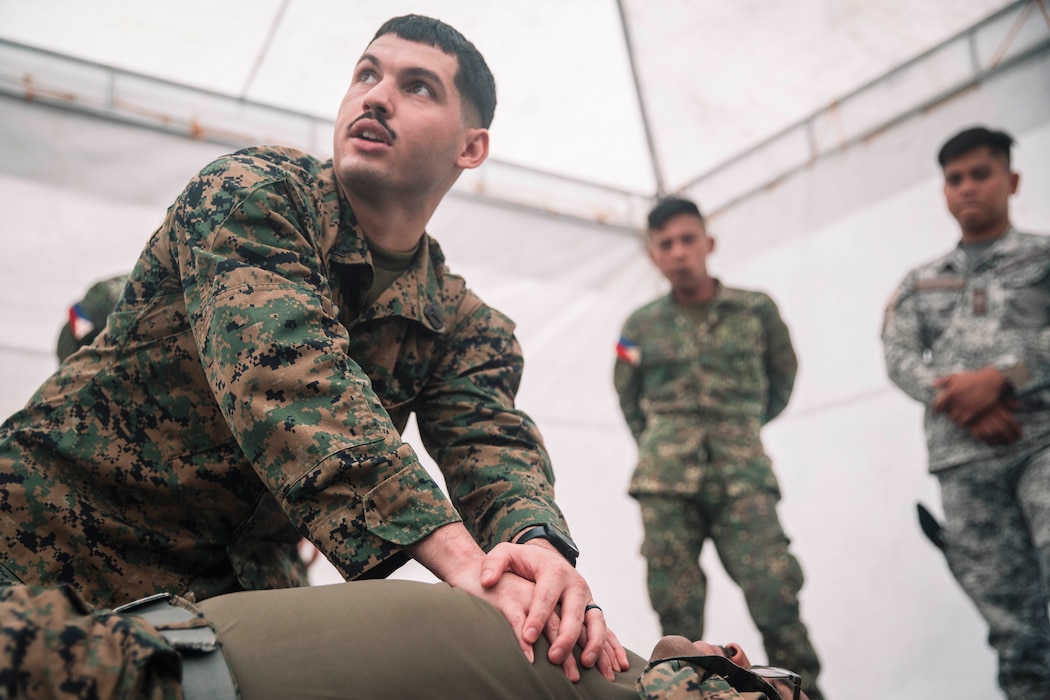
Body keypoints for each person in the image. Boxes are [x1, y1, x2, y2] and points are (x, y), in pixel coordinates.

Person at [0, 14, 626, 684]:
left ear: (470, 148)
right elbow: (291, 380)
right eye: (366, 73)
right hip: (44, 552)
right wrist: (466, 565)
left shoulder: (462, 324)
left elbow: (492, 445)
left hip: (221, 599)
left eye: (417, 87)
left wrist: (537, 550)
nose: (376, 96)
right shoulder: (253, 194)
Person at [613, 197, 824, 698]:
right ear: (653, 255)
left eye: (688, 239)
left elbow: (782, 378)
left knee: (776, 596)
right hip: (666, 483)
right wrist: (662, 443)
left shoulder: (757, 310)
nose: (678, 252)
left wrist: (741, 428)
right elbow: (626, 393)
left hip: (742, 477)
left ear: (709, 242)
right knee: (677, 615)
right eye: (666, 244)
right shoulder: (638, 325)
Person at [0, 577, 805, 699]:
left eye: (775, 682)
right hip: (118, 645)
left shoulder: (637, 683)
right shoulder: (590, 645)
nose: (736, 650)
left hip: (110, 674)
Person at [881, 125, 1050, 700]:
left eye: (981, 173)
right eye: (955, 179)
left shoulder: (1043, 258)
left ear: (1012, 180)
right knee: (1012, 624)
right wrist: (960, 402)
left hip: (1041, 443)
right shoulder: (919, 282)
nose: (968, 187)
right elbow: (899, 355)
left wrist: (1002, 379)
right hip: (964, 463)